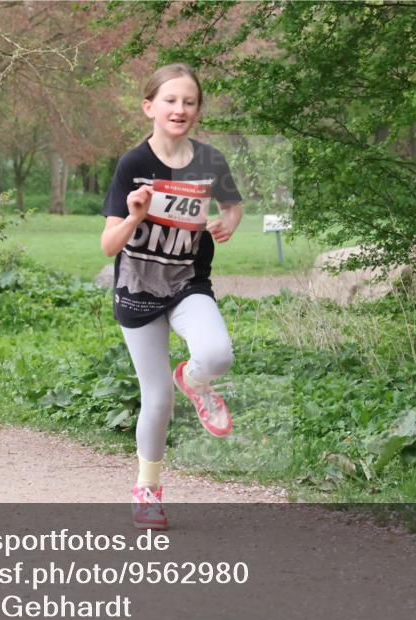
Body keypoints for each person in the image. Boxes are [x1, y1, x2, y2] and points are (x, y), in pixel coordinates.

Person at [101, 63, 243, 530]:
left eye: (188, 101)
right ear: (150, 107)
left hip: (187, 283)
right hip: (138, 289)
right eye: (169, 100)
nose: (179, 109)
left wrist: (228, 223)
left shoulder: (210, 161)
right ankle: (148, 490)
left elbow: (233, 205)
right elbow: (108, 246)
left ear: (198, 110)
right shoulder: (133, 165)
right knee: (157, 399)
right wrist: (135, 216)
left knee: (217, 354)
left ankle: (197, 380)